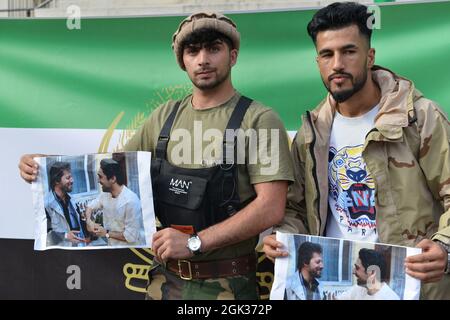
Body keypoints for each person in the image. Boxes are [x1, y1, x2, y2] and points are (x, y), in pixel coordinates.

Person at [19, 12, 294, 300]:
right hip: (163, 282)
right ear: (182, 61)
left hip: (228, 286)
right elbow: (113, 167)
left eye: (214, 48)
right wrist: (46, 164)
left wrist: (194, 243)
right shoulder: (165, 117)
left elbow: (270, 207)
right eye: (193, 51)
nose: (203, 59)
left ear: (233, 56)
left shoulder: (259, 119)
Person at [263, 2, 450, 299]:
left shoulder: (419, 118)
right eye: (327, 54)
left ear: (369, 56)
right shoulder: (311, 134)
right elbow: (296, 208)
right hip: (338, 289)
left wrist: (444, 247)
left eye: (348, 51)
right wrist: (282, 238)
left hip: (411, 288)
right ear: (318, 62)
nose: (337, 64)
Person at [85, 158, 144, 246]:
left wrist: (106, 233)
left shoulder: (131, 201)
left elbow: (131, 237)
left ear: (112, 179)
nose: (97, 181)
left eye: (100, 177)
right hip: (111, 248)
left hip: (129, 251)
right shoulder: (105, 195)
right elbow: (90, 207)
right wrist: (89, 222)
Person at [45, 161, 88, 247]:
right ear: (57, 181)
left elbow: (81, 225)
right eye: (68, 178)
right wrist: (65, 236)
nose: (72, 180)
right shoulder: (46, 204)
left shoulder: (73, 200)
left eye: (71, 177)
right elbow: (45, 235)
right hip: (61, 254)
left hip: (79, 249)